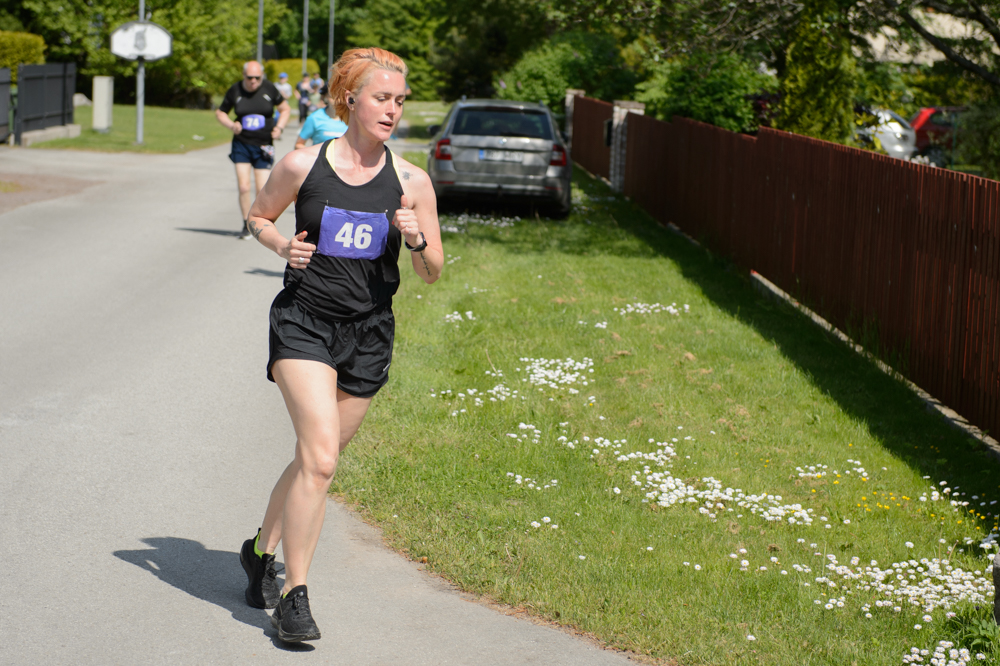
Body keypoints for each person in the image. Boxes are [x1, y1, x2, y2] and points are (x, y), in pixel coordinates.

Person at [238, 47, 442, 643]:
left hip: (369, 333)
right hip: (304, 322)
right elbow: (259, 216)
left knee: (314, 460)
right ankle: (294, 597)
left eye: (399, 100)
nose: (392, 110)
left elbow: (432, 271)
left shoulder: (412, 182)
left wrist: (416, 238)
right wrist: (282, 246)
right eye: (382, 98)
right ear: (350, 100)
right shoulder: (303, 164)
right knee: (322, 459)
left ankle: (259, 551)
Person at [215, 61, 292, 239]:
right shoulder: (235, 90)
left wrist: (279, 127)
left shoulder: (269, 88)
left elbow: (285, 109)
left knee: (261, 189)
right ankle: (245, 224)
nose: (253, 81)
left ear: (262, 76)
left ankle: (257, 223)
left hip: (264, 145)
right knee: (244, 187)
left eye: (257, 77)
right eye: (250, 77)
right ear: (244, 75)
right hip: (241, 144)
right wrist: (231, 125)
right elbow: (220, 112)